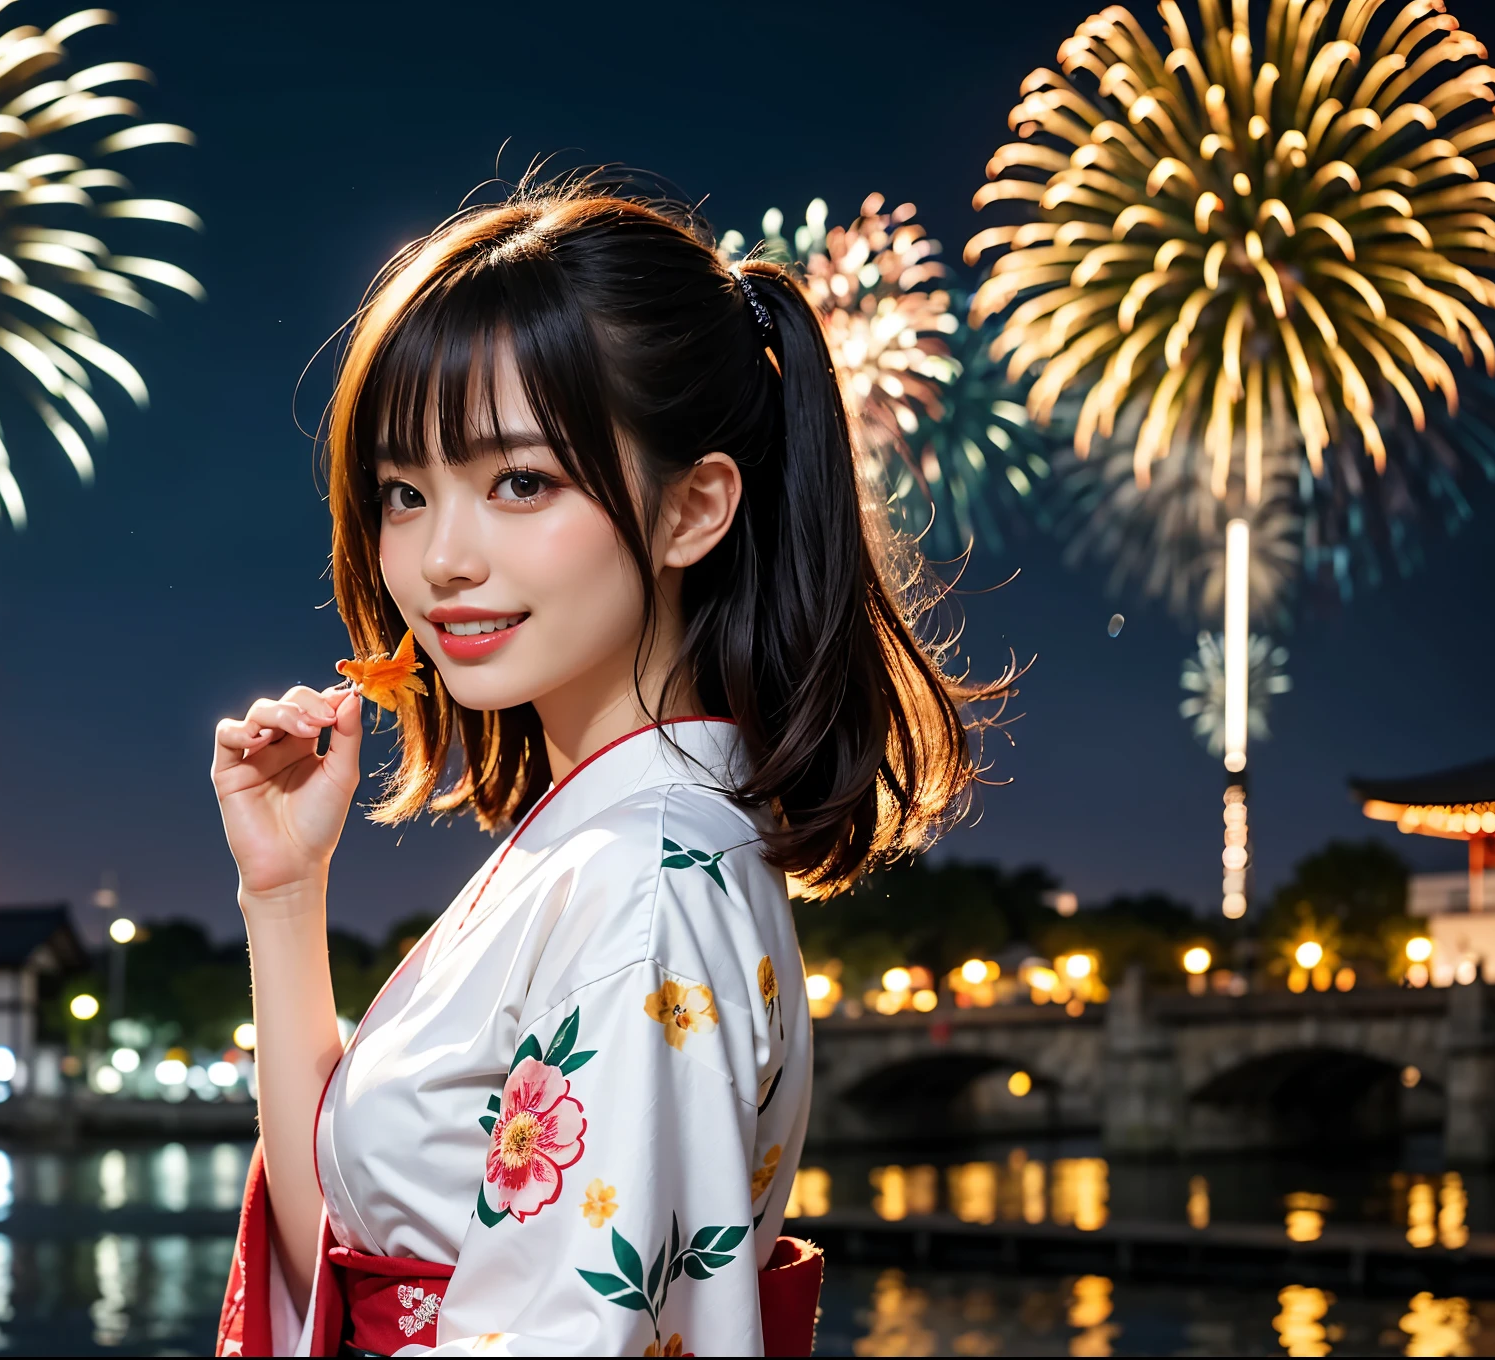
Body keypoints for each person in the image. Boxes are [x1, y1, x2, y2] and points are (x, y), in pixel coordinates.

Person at [210, 178, 999, 1357]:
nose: (440, 558)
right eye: (403, 493)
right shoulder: (622, 843)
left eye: (521, 481)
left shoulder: (644, 883)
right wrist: (283, 894)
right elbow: (352, 1247)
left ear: (695, 508)